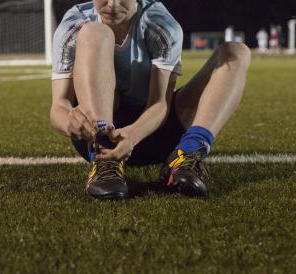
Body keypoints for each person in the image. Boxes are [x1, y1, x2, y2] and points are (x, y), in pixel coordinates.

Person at [49, 0, 251, 200]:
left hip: (154, 133)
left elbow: (160, 103)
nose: (112, 4)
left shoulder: (161, 24)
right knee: (94, 32)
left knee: (236, 52)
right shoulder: (75, 23)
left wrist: (133, 135)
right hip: (95, 139)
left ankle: (187, 154)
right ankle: (104, 165)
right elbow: (58, 106)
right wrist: (68, 121)